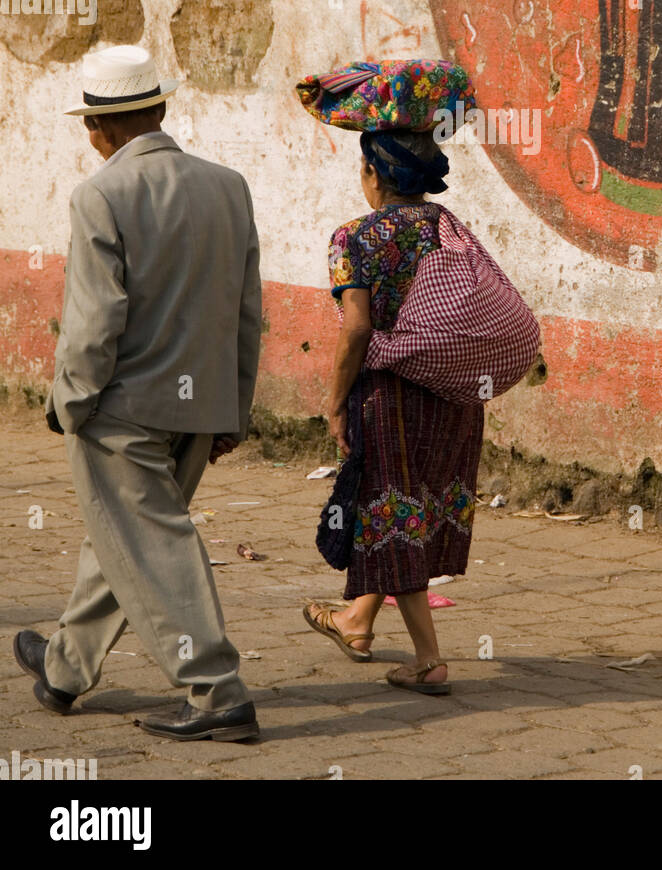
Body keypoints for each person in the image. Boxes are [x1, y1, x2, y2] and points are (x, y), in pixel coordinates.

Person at [13, 44, 263, 742]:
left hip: (123, 406)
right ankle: (66, 667)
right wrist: (233, 409)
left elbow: (95, 321)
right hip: (199, 404)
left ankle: (216, 691)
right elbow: (247, 309)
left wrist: (72, 402)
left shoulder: (101, 194)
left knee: (152, 546)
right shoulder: (227, 185)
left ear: (97, 129)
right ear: (159, 109)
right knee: (128, 535)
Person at [302, 128, 483, 695]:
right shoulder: (449, 228)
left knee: (393, 506)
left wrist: (334, 399)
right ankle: (357, 620)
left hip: (390, 397)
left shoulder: (352, 238)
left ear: (373, 175)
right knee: (405, 501)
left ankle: (429, 660)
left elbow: (357, 327)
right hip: (452, 393)